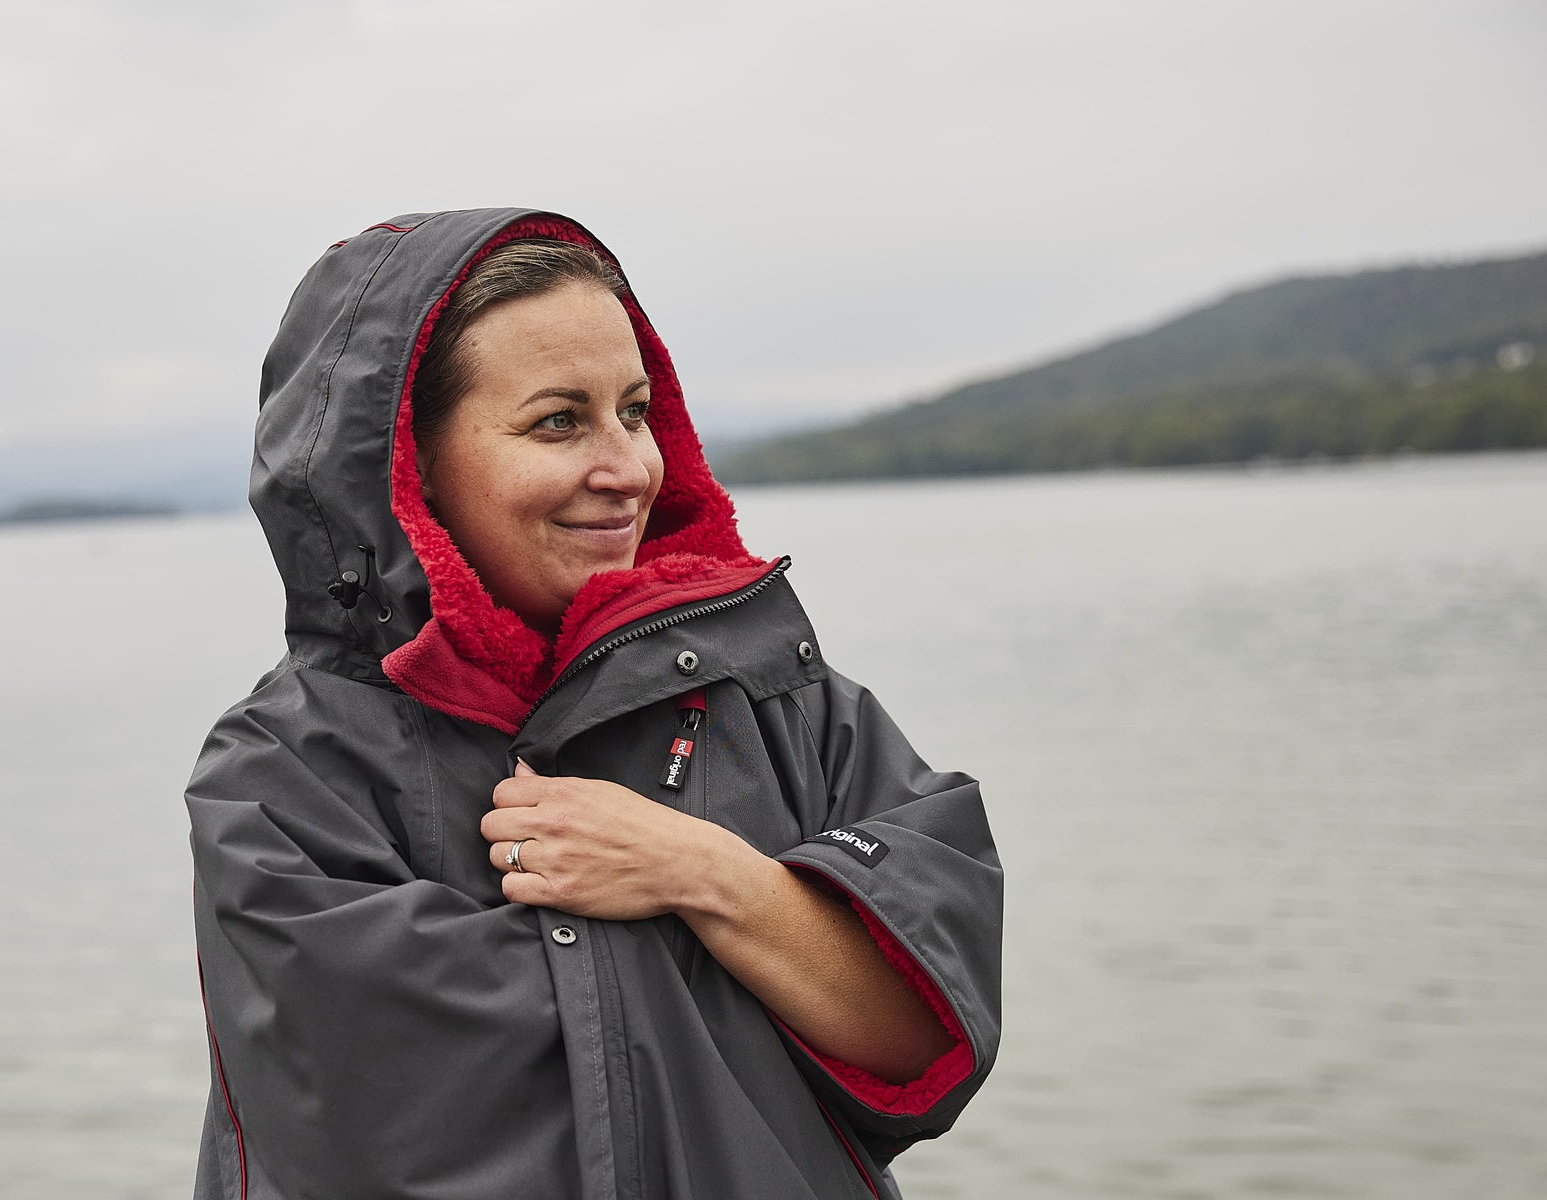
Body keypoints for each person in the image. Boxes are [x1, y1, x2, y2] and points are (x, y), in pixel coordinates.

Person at [187, 209, 1001, 1200]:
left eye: (636, 410)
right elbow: (404, 1137)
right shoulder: (283, 779)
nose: (629, 470)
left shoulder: (786, 699)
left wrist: (700, 871)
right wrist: (795, 936)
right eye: (558, 421)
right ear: (406, 464)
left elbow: (925, 1029)